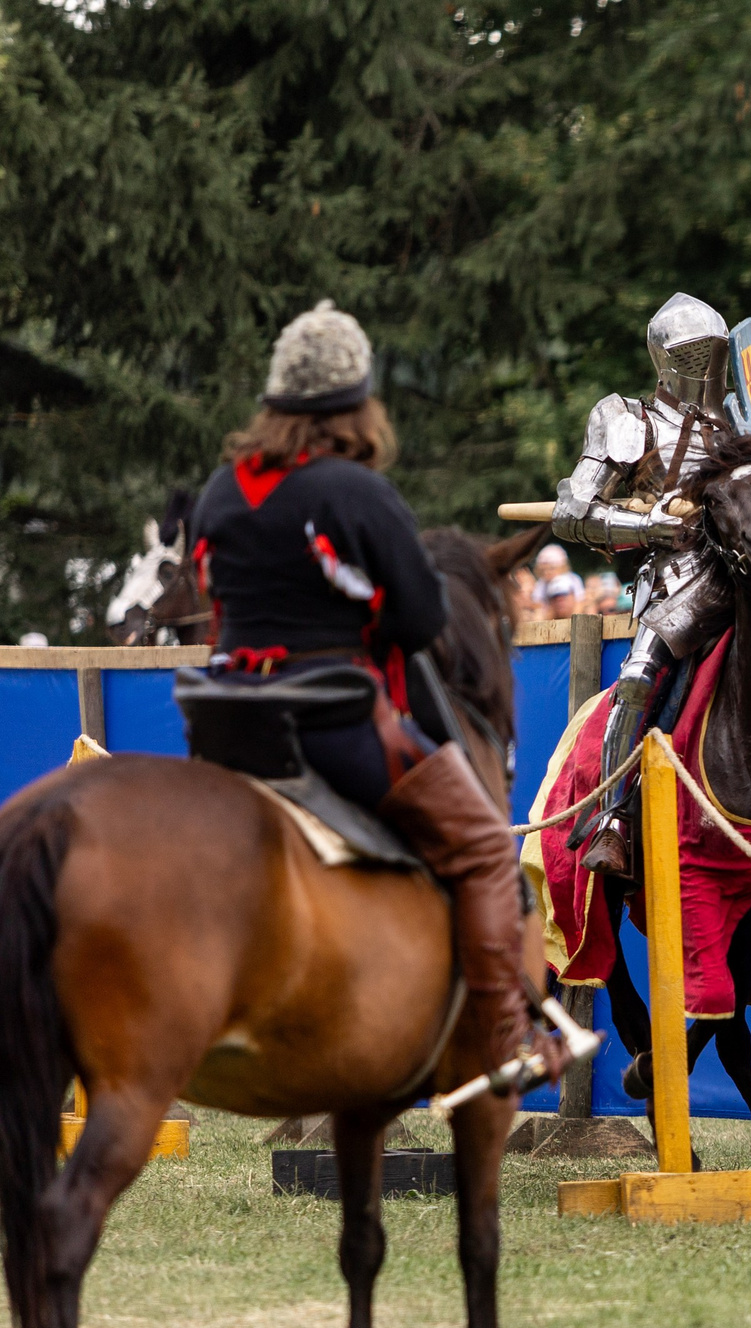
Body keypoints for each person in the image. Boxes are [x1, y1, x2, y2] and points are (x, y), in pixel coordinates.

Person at [187, 301, 563, 1083]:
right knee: (490, 849)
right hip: (331, 724)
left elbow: (213, 598)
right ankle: (508, 1036)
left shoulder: (220, 491)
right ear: (357, 403)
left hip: (223, 725)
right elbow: (423, 618)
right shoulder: (354, 493)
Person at [549, 293, 751, 877]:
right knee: (640, 676)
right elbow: (572, 512)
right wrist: (649, 522)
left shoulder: (742, 425)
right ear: (663, 358)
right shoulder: (629, 419)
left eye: (714, 351)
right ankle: (615, 819)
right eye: (692, 352)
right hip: (680, 580)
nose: (705, 364)